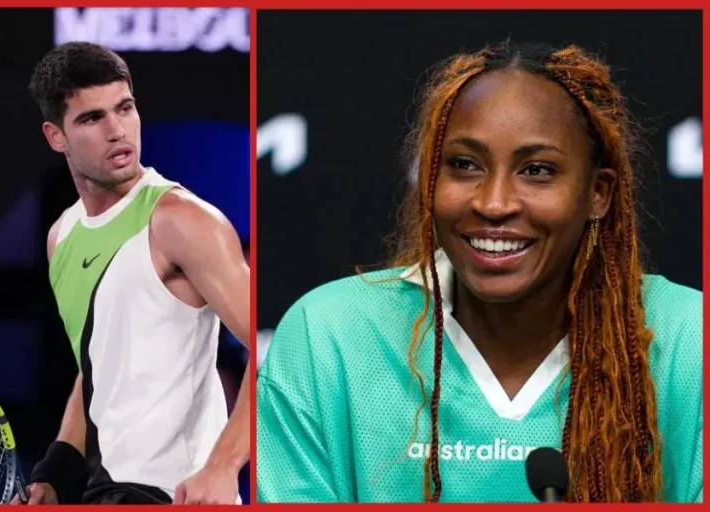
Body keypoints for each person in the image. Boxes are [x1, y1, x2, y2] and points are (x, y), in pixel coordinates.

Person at [256, 41, 702, 503]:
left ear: (598, 194)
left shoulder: (689, 340)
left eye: (537, 170)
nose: (493, 203)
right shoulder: (331, 336)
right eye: (464, 165)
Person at [18, 41, 250, 505]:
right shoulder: (61, 236)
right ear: (55, 136)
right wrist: (54, 473)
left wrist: (222, 467)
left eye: (124, 108)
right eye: (91, 118)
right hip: (107, 491)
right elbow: (99, 369)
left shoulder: (182, 220)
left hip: (176, 495)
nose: (116, 130)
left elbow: (284, 350)